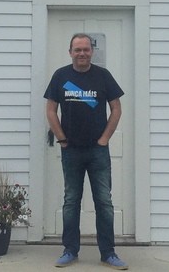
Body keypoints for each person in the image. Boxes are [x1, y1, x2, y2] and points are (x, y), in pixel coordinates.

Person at [44, 33, 128, 270]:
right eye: (77, 50)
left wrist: (104, 139)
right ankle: (70, 250)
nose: (82, 53)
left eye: (86, 49)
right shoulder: (61, 76)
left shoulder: (103, 76)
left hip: (97, 151)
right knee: (71, 201)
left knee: (104, 202)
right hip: (71, 151)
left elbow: (116, 108)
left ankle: (108, 253)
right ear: (70, 52)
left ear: (92, 51)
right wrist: (61, 138)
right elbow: (51, 110)